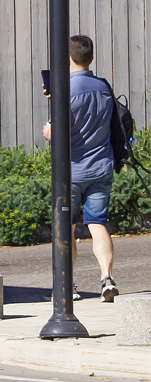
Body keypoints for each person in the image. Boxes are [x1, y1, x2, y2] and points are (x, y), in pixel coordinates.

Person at [41, 34, 117, 302]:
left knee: (67, 227)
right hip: (102, 167)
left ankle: (67, 285)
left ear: (67, 59)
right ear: (91, 58)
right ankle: (106, 278)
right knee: (98, 224)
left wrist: (46, 129)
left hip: (71, 171)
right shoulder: (104, 87)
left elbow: (54, 133)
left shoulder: (66, 91)